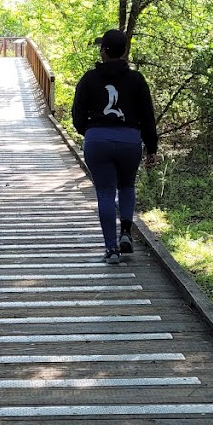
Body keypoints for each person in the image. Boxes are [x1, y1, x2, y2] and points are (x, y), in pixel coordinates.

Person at [71, 28, 159, 264]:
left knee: (105, 192)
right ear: (125, 52)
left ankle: (111, 249)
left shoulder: (89, 79)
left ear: (103, 52)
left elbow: (77, 117)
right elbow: (148, 117)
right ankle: (126, 232)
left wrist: (89, 131)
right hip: (130, 140)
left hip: (97, 140)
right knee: (127, 185)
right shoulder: (137, 80)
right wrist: (152, 147)